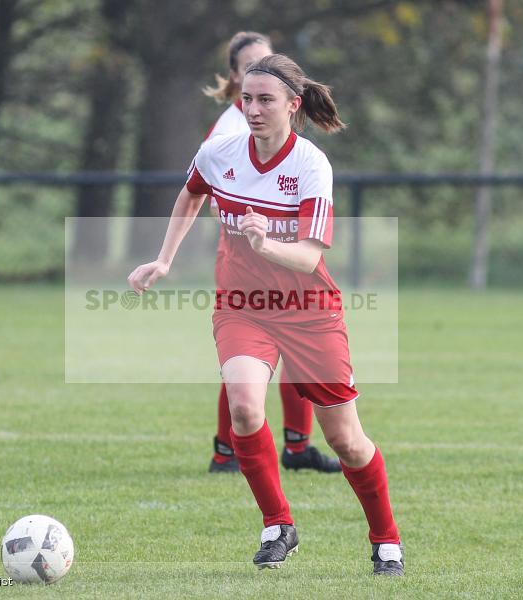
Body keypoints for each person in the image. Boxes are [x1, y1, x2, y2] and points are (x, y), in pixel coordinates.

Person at [128, 54, 403, 575]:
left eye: (265, 101)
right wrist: (163, 260)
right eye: (247, 99)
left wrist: (265, 241)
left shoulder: (310, 165)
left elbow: (308, 256)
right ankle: (278, 525)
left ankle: (385, 538)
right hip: (242, 307)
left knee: (344, 438)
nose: (253, 110)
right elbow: (190, 196)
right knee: (245, 410)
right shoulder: (218, 152)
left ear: (293, 106)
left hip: (307, 310)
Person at [202, 31, 339, 475]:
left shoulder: (299, 148)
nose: (256, 102)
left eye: (268, 61)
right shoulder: (230, 128)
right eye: (250, 66)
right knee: (246, 359)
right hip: (244, 261)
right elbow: (202, 187)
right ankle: (227, 452)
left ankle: (296, 448)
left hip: (281, 254)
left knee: (289, 353)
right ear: (236, 76)